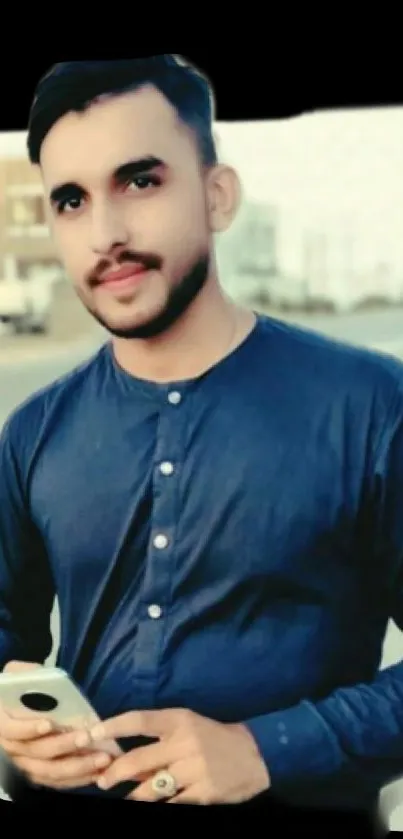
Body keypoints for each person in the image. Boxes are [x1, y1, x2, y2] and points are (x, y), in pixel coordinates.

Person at [0, 55, 401, 830]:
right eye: (72, 200)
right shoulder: (34, 431)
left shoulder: (372, 405)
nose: (105, 234)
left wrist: (266, 748)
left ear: (217, 196)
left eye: (140, 181)